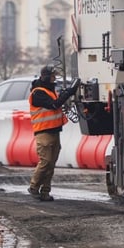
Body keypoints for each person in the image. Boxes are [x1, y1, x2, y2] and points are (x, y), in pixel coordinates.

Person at [27, 65, 79, 202]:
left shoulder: (49, 91)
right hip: (44, 132)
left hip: (54, 131)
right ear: (46, 77)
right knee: (46, 162)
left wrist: (66, 94)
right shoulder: (38, 93)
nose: (54, 78)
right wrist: (69, 92)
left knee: (51, 164)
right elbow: (54, 105)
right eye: (52, 76)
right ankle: (34, 186)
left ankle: (45, 191)